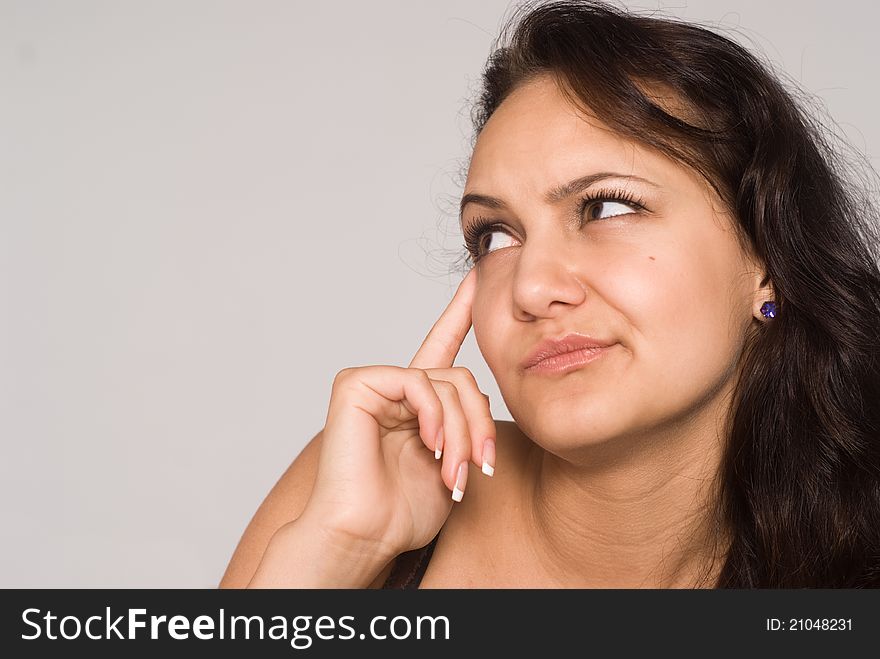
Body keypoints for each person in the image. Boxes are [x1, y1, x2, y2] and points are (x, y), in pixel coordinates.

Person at [219, 0, 880, 588]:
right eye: (496, 237)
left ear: (766, 256)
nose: (532, 288)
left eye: (608, 208)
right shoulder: (358, 486)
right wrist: (336, 553)